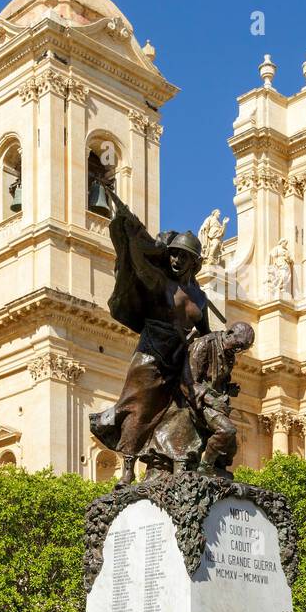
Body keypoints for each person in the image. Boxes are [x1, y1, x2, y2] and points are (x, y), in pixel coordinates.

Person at [89, 179, 210, 484]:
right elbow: (140, 266)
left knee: (184, 411)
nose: (174, 258)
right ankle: (128, 468)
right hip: (152, 351)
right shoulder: (161, 283)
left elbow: (206, 333)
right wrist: (132, 237)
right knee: (138, 407)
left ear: (193, 262)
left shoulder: (200, 298)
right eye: (172, 254)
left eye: (181, 255)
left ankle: (174, 462)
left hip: (179, 356)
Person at [185, 322, 255, 477]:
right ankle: (205, 467)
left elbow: (218, 382)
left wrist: (228, 388)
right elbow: (188, 382)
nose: (238, 350)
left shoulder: (229, 354)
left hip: (215, 403)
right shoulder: (204, 344)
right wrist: (210, 400)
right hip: (197, 401)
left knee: (231, 449)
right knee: (227, 430)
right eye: (238, 345)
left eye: (242, 349)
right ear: (229, 333)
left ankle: (215, 469)